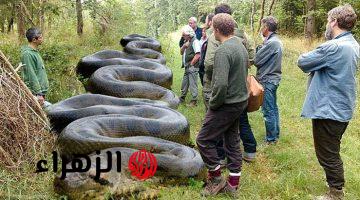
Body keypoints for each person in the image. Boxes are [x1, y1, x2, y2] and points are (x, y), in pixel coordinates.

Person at [297, 4, 359, 200]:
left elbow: (303, 62)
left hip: (328, 108)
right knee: (333, 148)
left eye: (327, 20)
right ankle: (334, 183)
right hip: (342, 106)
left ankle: (336, 192)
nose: (326, 25)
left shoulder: (333, 47)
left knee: (328, 153)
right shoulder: (354, 44)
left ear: (334, 22)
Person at [196, 13, 249, 197]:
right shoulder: (240, 45)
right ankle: (233, 184)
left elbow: (220, 84)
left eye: (212, 29)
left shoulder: (223, 50)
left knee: (203, 140)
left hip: (226, 104)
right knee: (232, 142)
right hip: (240, 102)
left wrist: (213, 104)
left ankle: (216, 179)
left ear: (217, 30)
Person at [204, 3, 257, 165]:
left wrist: (213, 101)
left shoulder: (217, 39)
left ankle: (219, 160)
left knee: (209, 134)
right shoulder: (242, 35)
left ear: (216, 25)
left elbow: (209, 63)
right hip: (240, 89)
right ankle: (248, 152)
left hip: (224, 92)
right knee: (239, 125)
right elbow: (252, 57)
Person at [254, 16, 283, 144]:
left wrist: (260, 46)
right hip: (272, 79)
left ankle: (271, 139)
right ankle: (275, 135)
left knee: (268, 110)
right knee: (273, 108)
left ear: (266, 27)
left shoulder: (272, 43)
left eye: (262, 26)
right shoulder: (274, 41)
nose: (261, 28)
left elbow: (257, 60)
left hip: (268, 80)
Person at [20, 27, 50, 107]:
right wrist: (38, 92)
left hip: (40, 92)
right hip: (35, 94)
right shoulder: (27, 54)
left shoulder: (34, 52)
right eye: (40, 37)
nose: (42, 39)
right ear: (34, 40)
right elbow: (31, 74)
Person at [179, 25, 201, 107]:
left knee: (193, 84)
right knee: (184, 83)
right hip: (187, 67)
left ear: (189, 34)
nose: (183, 36)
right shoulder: (186, 41)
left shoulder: (195, 41)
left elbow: (198, 55)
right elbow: (181, 53)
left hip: (192, 67)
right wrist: (184, 46)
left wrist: (191, 64)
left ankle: (194, 101)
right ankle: (182, 98)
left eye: (184, 35)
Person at [198, 13, 214, 86]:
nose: (205, 22)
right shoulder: (206, 32)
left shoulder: (210, 34)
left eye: (206, 21)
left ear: (210, 22)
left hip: (207, 67)